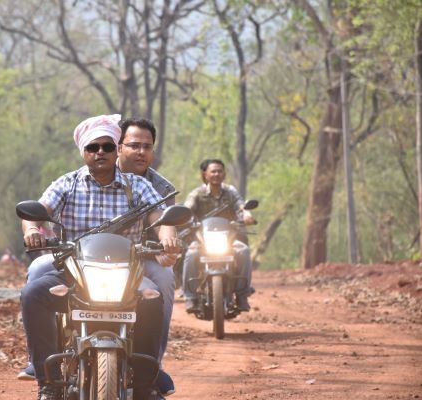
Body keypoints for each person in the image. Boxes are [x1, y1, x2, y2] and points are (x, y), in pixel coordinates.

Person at [20, 114, 180, 400]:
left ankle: (145, 385)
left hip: (127, 274)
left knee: (153, 298)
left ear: (116, 150)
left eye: (107, 146)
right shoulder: (67, 184)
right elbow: (38, 211)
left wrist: (168, 235)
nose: (100, 152)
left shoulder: (137, 186)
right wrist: (32, 229)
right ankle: (48, 381)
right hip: (74, 271)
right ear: (83, 152)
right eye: (93, 147)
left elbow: (160, 216)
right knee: (33, 293)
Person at [117, 117, 177, 397]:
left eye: (147, 146)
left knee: (164, 279)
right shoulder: (100, 176)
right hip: (95, 258)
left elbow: (167, 226)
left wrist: (168, 248)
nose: (141, 152)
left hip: (143, 258)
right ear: (119, 147)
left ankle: (153, 364)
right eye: (134, 145)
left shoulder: (163, 189)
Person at [182, 159, 255, 312]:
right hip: (203, 241)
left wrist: (247, 215)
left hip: (229, 239)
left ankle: (242, 295)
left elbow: (241, 206)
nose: (216, 174)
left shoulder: (230, 192)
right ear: (205, 174)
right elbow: (187, 209)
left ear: (224, 174)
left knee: (243, 251)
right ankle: (190, 296)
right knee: (191, 254)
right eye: (213, 171)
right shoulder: (197, 193)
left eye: (220, 171)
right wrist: (185, 219)